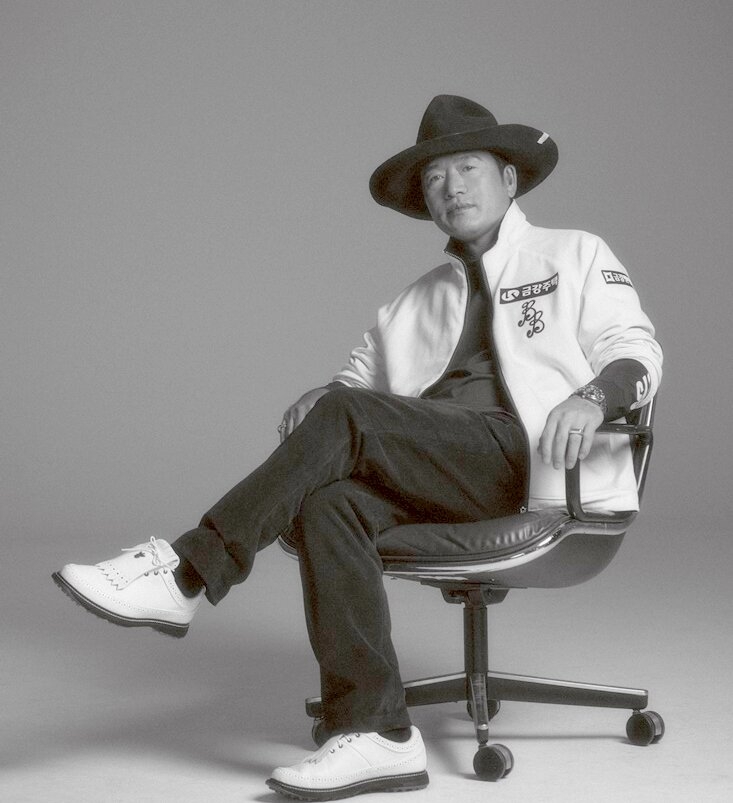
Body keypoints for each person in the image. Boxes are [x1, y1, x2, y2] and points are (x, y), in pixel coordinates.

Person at [52, 94, 662, 801]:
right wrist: (323, 394)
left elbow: (634, 350)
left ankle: (188, 571)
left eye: (467, 168)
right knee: (329, 504)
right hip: (435, 476)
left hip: (533, 463)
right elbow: (352, 386)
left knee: (345, 418)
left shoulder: (574, 252)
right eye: (434, 178)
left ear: (508, 178)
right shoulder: (410, 303)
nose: (452, 187)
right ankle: (377, 732)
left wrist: (595, 397)